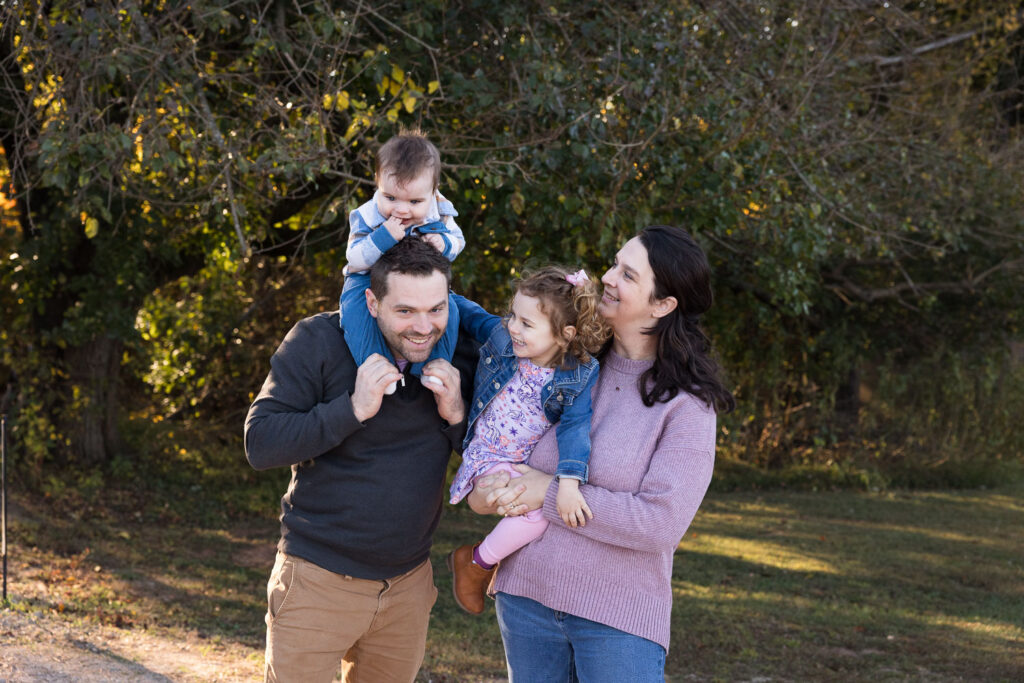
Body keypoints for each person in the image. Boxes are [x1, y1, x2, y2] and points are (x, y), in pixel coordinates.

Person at [468, 225, 735, 681]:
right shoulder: (562, 366)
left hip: (617, 622)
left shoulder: (688, 406)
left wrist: (547, 494)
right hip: (527, 601)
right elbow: (504, 450)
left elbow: (659, 524)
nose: (608, 277)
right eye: (614, 264)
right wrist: (489, 489)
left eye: (628, 275)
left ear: (663, 304)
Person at [245, 237, 474, 683]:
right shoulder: (318, 339)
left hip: (407, 587)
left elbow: (498, 457)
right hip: (316, 580)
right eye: (405, 311)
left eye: (436, 309)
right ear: (371, 301)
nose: (424, 327)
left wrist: (457, 417)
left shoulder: (457, 352)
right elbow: (261, 442)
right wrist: (351, 409)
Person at [445, 265, 611, 615]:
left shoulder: (577, 373)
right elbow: (467, 311)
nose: (513, 328)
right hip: (487, 452)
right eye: (513, 316)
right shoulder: (503, 337)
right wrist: (431, 291)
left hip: (519, 461)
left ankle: (475, 561)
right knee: (535, 513)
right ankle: (477, 564)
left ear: (565, 335)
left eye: (527, 324)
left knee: (538, 509)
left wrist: (568, 482)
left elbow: (575, 427)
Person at [340, 129, 464, 387]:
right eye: (390, 197)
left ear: (433, 192)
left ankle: (433, 369)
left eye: (415, 201)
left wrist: (445, 244)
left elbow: (459, 240)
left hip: (422, 283)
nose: (402, 209)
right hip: (366, 277)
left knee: (448, 315)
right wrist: (383, 237)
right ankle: (378, 370)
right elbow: (354, 257)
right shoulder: (368, 216)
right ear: (378, 184)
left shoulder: (439, 210)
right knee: (355, 315)